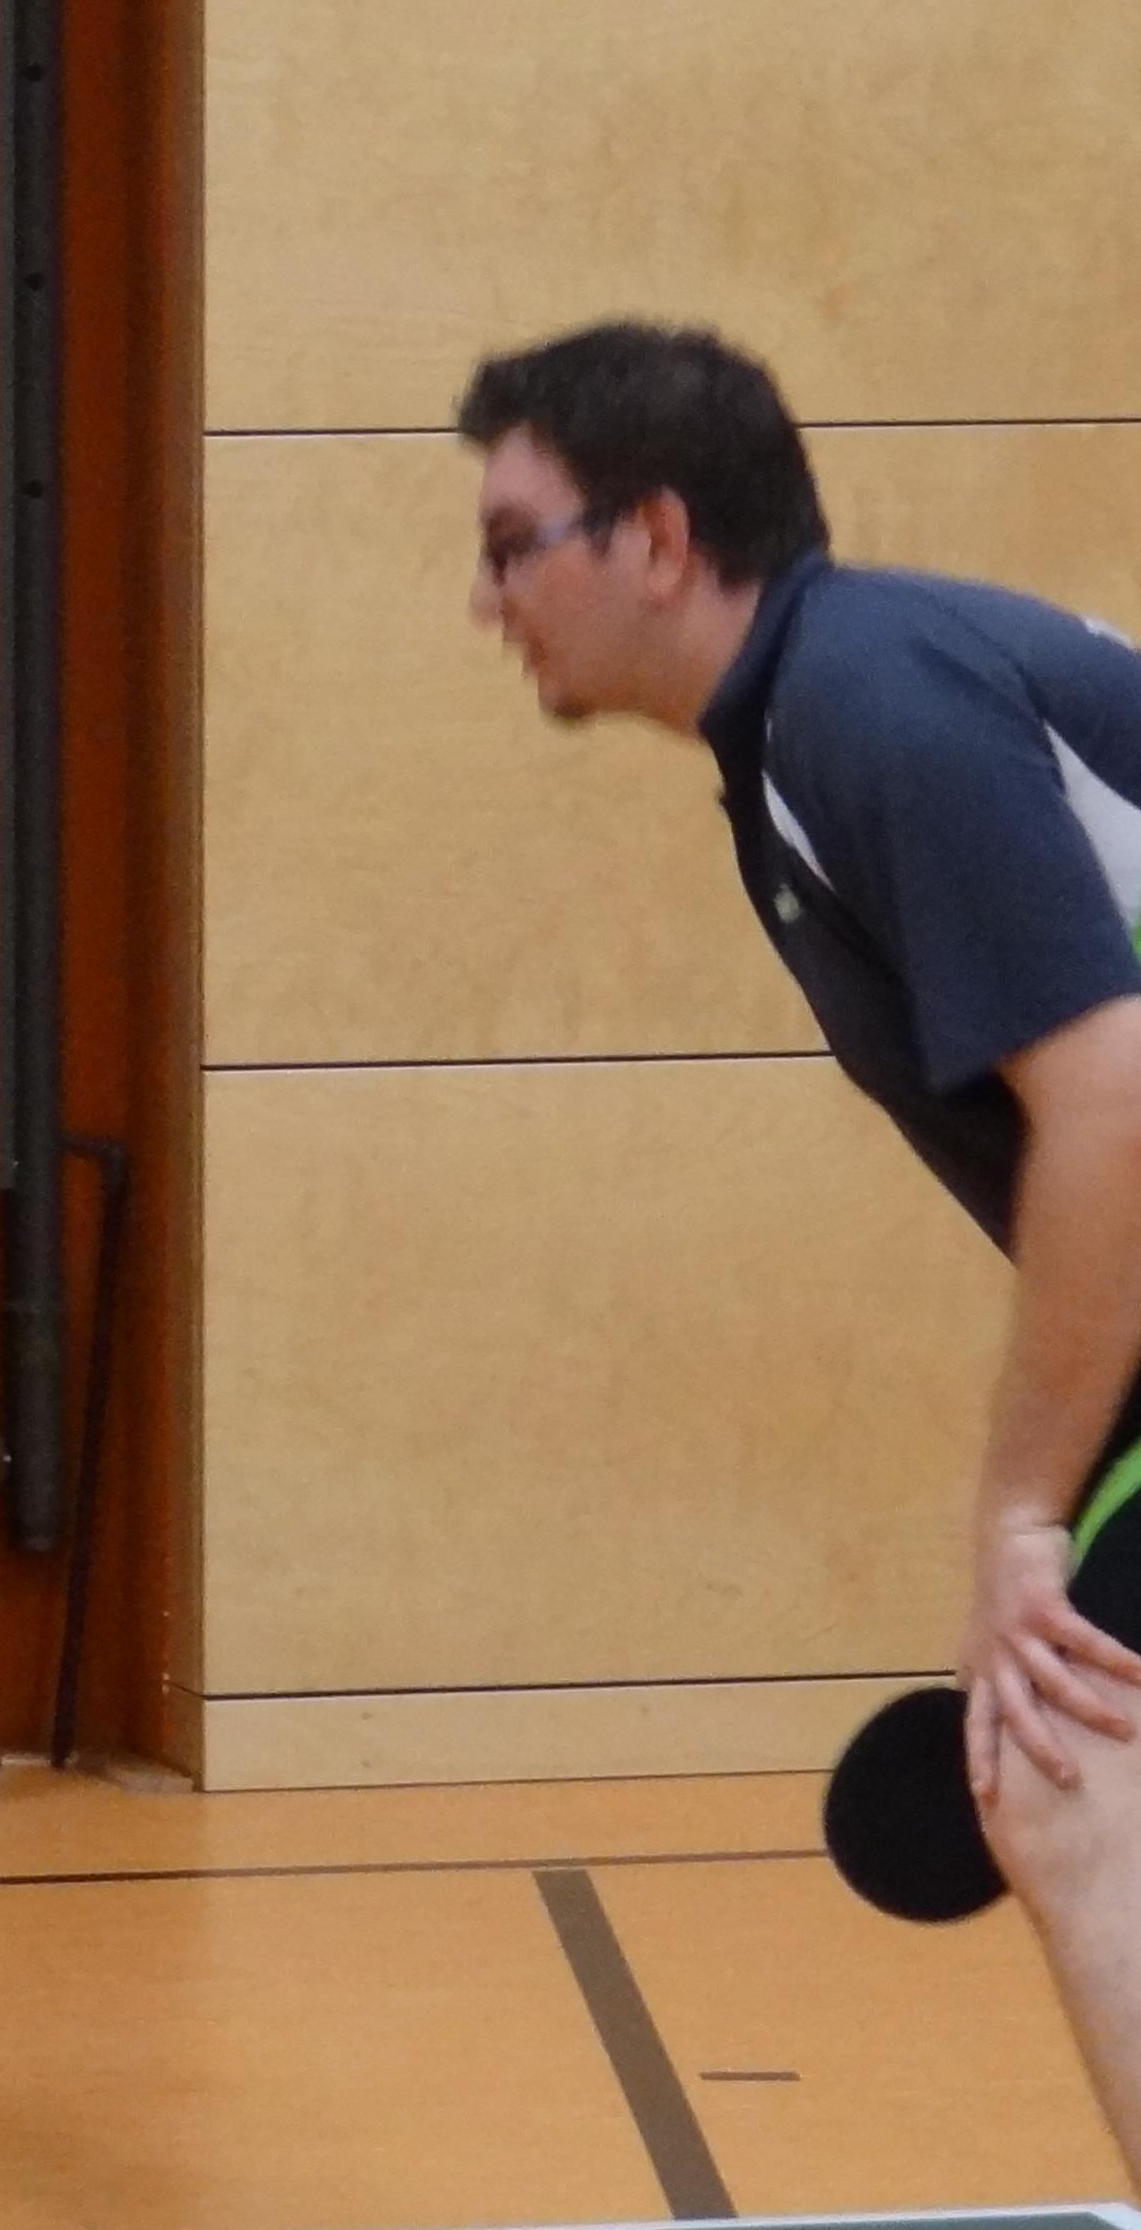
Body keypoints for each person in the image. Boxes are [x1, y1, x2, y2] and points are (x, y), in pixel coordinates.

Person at [458, 320, 1141, 2164]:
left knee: (1079, 1777)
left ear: (656, 536)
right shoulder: (801, 736)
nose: (485, 599)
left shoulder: (872, 704)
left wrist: (1024, 1510)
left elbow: (1111, 1101)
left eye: (515, 545)